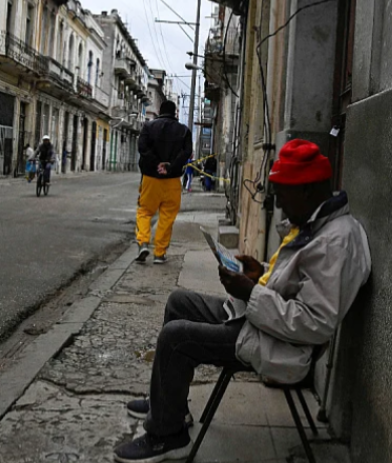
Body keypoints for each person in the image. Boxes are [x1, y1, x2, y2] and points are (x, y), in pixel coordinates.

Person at [113, 139, 372, 462]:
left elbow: (313, 325)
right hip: (263, 324)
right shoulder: (319, 225)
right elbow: (296, 287)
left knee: (175, 337)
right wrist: (259, 273)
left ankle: (168, 436)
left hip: (281, 346)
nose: (279, 204)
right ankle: (169, 408)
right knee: (179, 301)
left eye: (282, 194)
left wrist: (251, 293)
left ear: (307, 190)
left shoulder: (336, 242)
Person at [135, 100, 193, 265]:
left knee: (144, 212)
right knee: (167, 216)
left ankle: (143, 243)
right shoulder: (184, 131)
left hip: (150, 178)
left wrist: (156, 164)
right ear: (175, 113)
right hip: (173, 179)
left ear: (160, 111)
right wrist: (170, 166)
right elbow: (187, 152)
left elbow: (142, 148)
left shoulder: (148, 127)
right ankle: (159, 253)